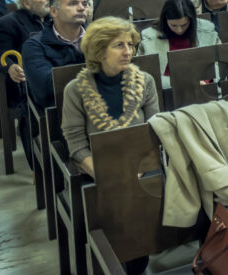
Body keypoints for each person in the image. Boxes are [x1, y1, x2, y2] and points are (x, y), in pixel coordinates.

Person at [62, 17, 159, 179]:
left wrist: (141, 168)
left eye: (130, 44)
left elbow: (154, 129)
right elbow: (76, 143)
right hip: (98, 166)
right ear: (99, 51)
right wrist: (104, 175)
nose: (128, 52)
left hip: (141, 163)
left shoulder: (145, 81)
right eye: (119, 45)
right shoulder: (75, 90)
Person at [0, 0, 50, 167]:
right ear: (26, 3)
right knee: (29, 109)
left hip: (53, 77)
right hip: (26, 85)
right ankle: (39, 167)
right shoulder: (7, 23)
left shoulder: (58, 18)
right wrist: (9, 67)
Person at [23, 0, 88, 109]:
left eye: (84, 4)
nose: (81, 8)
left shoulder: (100, 37)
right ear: (53, 11)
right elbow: (45, 88)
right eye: (73, 4)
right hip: (60, 109)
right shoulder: (34, 45)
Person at [138, 0, 220, 81]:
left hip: (201, 83)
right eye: (174, 25)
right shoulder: (149, 36)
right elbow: (143, 71)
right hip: (166, 84)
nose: (179, 30)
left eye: (184, 25)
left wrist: (206, 81)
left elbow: (217, 63)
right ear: (165, 20)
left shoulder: (207, 31)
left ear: (191, 21)